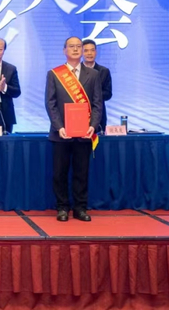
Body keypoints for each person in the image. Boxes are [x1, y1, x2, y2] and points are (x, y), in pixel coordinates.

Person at [45, 36, 102, 222]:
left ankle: (80, 208)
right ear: (64, 50)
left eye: (79, 46)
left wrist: (92, 126)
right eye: (72, 46)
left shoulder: (93, 75)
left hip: (84, 133)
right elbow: (50, 103)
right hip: (61, 133)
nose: (76, 49)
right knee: (59, 173)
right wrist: (59, 126)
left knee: (81, 173)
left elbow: (97, 104)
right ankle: (62, 207)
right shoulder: (54, 74)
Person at [82, 39, 113, 130]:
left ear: (96, 52)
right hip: (79, 113)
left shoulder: (104, 71)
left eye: (92, 50)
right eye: (86, 51)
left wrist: (93, 95)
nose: (89, 53)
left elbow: (108, 94)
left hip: (99, 115)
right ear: (81, 53)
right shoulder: (75, 71)